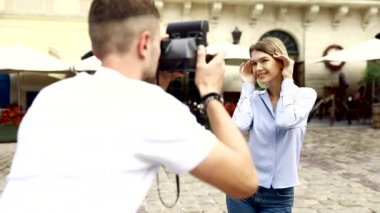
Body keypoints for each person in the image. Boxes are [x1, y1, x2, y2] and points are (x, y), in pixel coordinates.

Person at [0, 0, 258, 212]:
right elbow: (245, 181)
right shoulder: (154, 109)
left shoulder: (50, 97)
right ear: (145, 43)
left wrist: (158, 84)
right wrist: (211, 93)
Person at [226, 37, 317, 213]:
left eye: (264, 60)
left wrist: (288, 78)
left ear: (282, 61)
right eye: (254, 63)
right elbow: (237, 127)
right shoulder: (254, 99)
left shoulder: (305, 95)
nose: (258, 68)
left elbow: (284, 120)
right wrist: (247, 85)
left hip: (278, 196)